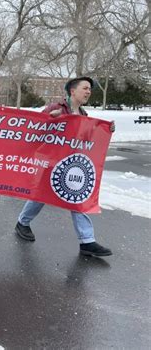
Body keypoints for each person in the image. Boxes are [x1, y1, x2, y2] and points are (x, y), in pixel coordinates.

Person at [15, 76, 115, 257]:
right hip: (51, 162)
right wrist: (49, 119)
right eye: (85, 88)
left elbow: (85, 139)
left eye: (89, 90)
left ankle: (87, 241)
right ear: (72, 91)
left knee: (76, 197)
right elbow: (36, 129)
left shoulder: (83, 115)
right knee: (40, 196)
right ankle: (22, 222)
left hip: (70, 164)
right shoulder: (56, 108)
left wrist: (105, 130)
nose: (88, 92)